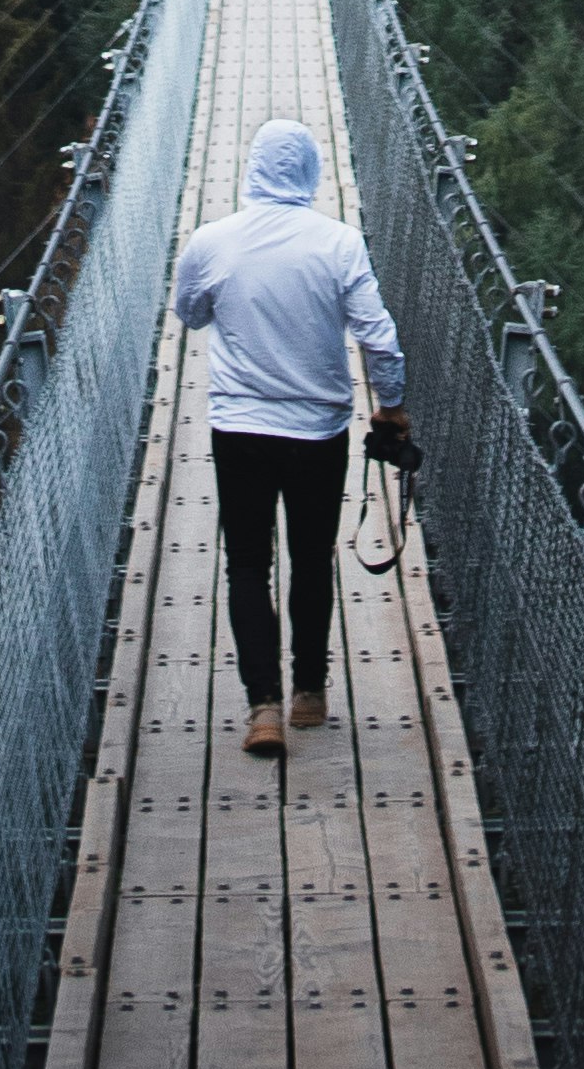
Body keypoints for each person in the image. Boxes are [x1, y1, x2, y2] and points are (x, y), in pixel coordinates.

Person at [174, 117, 413, 758]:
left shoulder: (211, 240)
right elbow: (379, 338)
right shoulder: (339, 245)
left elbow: (191, 313)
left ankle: (264, 709)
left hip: (240, 430)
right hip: (317, 431)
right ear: (311, 173)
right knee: (310, 559)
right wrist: (390, 407)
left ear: (251, 168)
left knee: (248, 565)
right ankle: (311, 692)